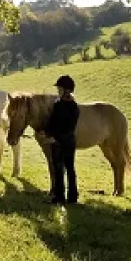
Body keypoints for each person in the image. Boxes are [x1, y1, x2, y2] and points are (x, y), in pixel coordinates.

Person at [44, 74, 80, 205]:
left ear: (68, 91)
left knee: (69, 169)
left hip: (67, 142)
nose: (58, 92)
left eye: (60, 89)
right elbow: (52, 121)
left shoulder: (74, 108)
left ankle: (72, 197)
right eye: (58, 89)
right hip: (55, 142)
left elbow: (70, 129)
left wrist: (55, 139)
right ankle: (58, 197)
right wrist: (47, 132)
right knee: (57, 170)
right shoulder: (57, 104)